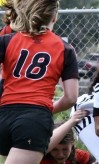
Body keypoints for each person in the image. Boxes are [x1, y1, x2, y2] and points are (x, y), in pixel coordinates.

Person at [0, 0, 79, 164]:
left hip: (4, 114)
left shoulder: (7, 40)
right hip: (34, 118)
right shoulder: (65, 48)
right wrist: (48, 109)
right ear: (55, 16)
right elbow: (71, 98)